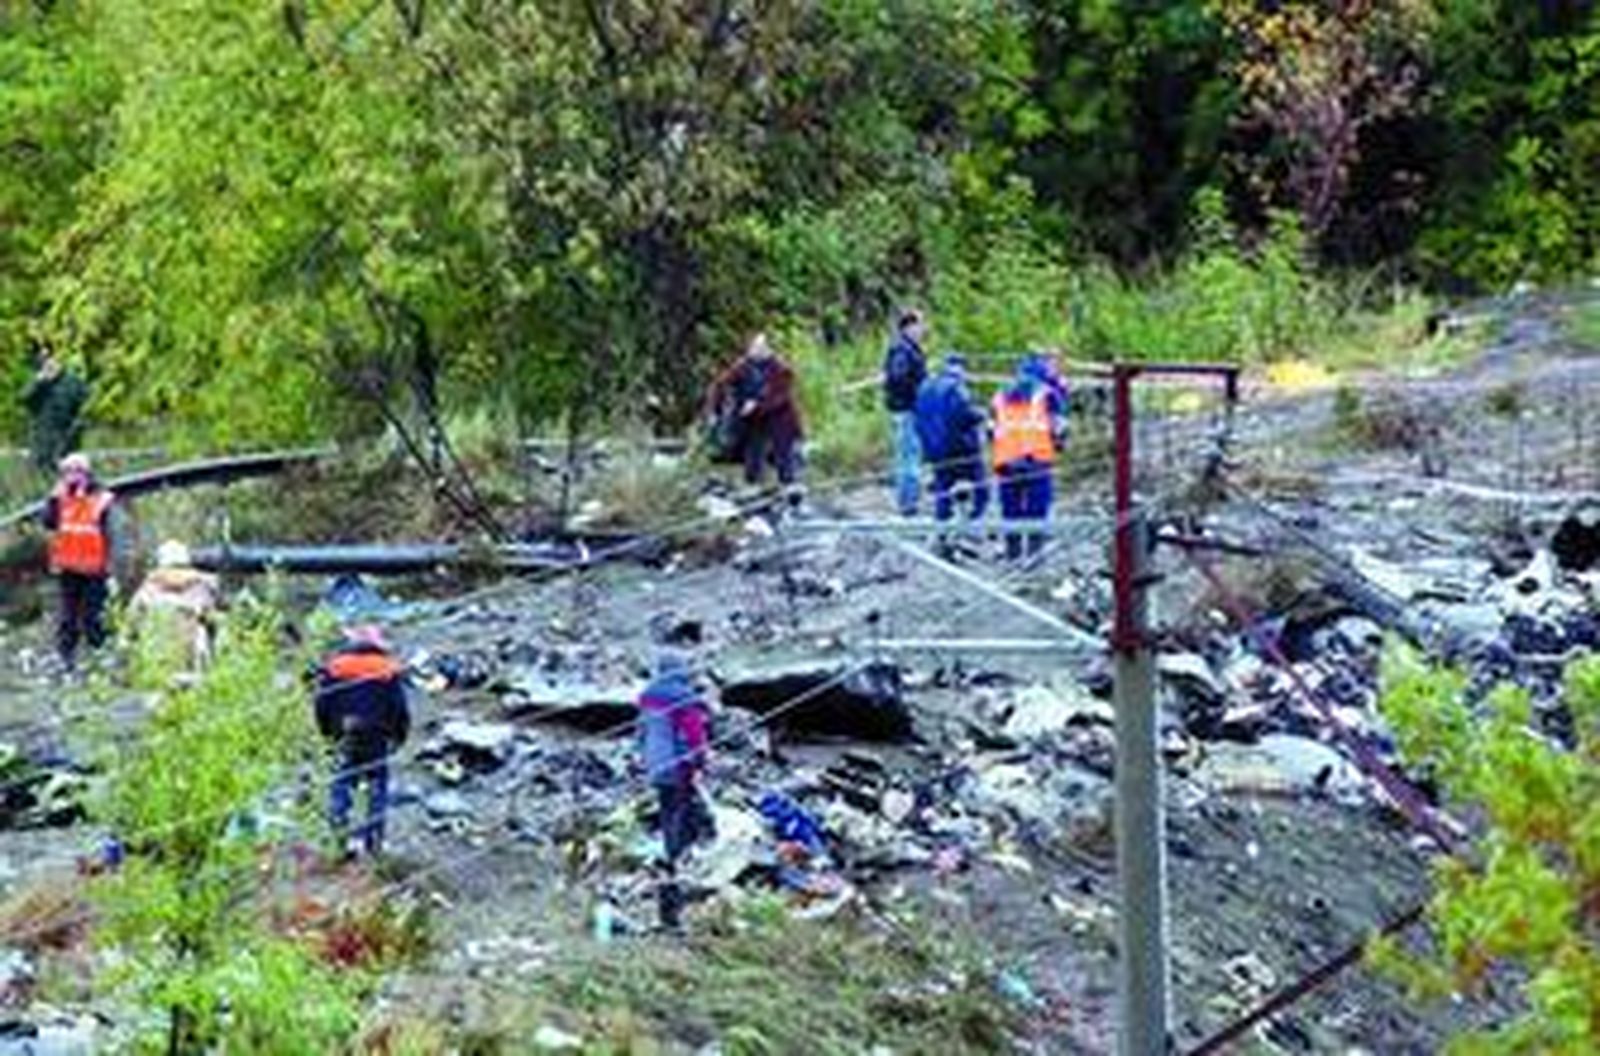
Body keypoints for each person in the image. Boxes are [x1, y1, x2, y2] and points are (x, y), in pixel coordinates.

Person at [313, 625, 411, 859]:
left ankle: (339, 840)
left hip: (343, 734)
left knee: (341, 785)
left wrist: (327, 735)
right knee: (377, 788)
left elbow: (321, 705)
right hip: (376, 737)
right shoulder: (387, 669)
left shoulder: (335, 668)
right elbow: (399, 708)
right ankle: (374, 843)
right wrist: (399, 736)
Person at [636, 648, 714, 929]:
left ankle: (671, 855)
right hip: (678, 766)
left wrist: (644, 760)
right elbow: (694, 736)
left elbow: (641, 732)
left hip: (655, 765)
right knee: (681, 812)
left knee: (667, 808)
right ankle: (678, 861)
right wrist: (701, 762)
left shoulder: (647, 697)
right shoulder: (684, 698)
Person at [42, 453, 115, 669]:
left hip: (95, 570)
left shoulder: (102, 499)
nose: (72, 476)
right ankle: (65, 659)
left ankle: (99, 659)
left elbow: (113, 535)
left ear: (87, 473)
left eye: (77, 471)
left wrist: (113, 568)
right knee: (67, 618)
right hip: (68, 568)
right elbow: (48, 523)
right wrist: (53, 500)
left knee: (94, 618)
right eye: (67, 471)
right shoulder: (60, 498)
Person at [706, 333, 803, 493]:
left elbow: (780, 397)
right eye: (753, 347)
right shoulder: (743, 366)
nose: (754, 350)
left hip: (780, 417)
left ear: (768, 349)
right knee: (753, 451)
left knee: (783, 452)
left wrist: (757, 405)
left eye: (759, 347)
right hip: (755, 419)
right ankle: (752, 484)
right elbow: (720, 385)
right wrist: (715, 411)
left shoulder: (781, 368)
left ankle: (789, 485)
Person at [913, 355, 989, 548]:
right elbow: (962, 415)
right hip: (961, 450)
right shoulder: (956, 389)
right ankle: (974, 523)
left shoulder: (924, 388)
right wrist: (982, 414)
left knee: (943, 488)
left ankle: (943, 528)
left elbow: (917, 421)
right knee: (981, 486)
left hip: (935, 451)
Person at [991, 359, 1060, 562]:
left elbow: (992, 426)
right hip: (1037, 459)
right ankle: (1034, 554)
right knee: (1037, 508)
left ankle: (1012, 552)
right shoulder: (1047, 394)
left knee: (1010, 509)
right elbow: (1059, 427)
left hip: (1006, 460)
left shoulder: (999, 394)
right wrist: (1057, 444)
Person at [126, 540, 221, 676]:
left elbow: (131, 627)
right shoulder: (201, 587)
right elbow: (213, 624)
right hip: (192, 662)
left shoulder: (147, 589)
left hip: (155, 662)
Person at [883, 310, 929, 516]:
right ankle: (908, 504)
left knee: (910, 455)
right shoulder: (902, 350)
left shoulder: (908, 349)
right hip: (906, 410)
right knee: (909, 457)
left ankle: (910, 500)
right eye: (920, 325)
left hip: (908, 409)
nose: (923, 329)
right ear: (908, 327)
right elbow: (898, 379)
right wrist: (919, 392)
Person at [22, 353, 88, 476]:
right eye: (47, 365)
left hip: (67, 440)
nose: (51, 367)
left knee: (68, 476)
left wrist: (79, 424)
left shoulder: (72, 382)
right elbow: (24, 399)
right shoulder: (38, 384)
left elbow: (85, 403)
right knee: (43, 475)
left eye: (53, 363)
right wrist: (40, 380)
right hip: (43, 442)